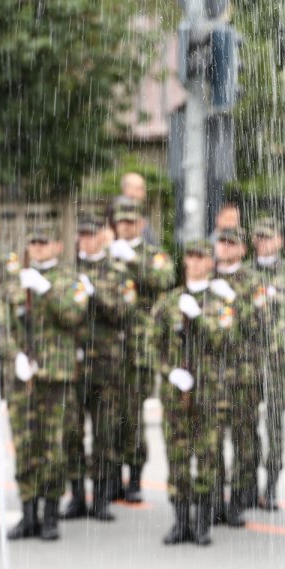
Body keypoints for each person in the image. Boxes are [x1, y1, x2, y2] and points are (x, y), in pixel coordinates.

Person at [149, 239, 247, 546]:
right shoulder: (168, 302)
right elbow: (151, 345)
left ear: (210, 262)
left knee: (206, 457)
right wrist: (169, 372)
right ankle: (180, 521)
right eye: (190, 256)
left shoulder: (221, 303)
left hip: (209, 393)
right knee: (177, 457)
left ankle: (203, 521)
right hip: (176, 395)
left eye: (201, 257)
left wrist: (200, 319)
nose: (194, 262)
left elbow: (226, 340)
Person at [5, 223, 88, 541]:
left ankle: (50, 514)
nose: (37, 248)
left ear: (58, 246)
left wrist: (46, 289)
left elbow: (73, 316)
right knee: (25, 445)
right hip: (22, 378)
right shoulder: (16, 282)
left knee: (53, 447)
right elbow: (3, 325)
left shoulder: (73, 281)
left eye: (44, 242)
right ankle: (28, 513)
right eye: (33, 243)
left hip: (56, 375)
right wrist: (15, 356)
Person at [61, 210, 136, 521]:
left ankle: (102, 497)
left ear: (102, 237)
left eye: (92, 234)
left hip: (106, 365)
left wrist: (97, 297)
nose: (87, 240)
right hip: (73, 364)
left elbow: (124, 312)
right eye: (83, 234)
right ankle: (77, 495)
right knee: (72, 431)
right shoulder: (67, 272)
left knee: (105, 433)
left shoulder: (117, 272)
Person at [110, 195, 177, 502]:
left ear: (141, 223)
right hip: (109, 347)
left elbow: (165, 280)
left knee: (133, 416)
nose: (125, 227)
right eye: (121, 221)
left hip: (139, 347)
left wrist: (134, 260)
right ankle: (110, 476)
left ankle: (135, 475)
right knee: (109, 415)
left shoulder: (153, 254)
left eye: (130, 221)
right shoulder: (108, 254)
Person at [249, 216, 285, 510]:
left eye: (269, 237)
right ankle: (263, 486)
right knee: (262, 428)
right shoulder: (247, 274)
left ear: (280, 240)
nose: (264, 243)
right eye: (259, 237)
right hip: (255, 363)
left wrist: (277, 301)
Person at [209, 226, 263, 524]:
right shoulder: (209, 279)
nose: (226, 249)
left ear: (242, 249)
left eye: (232, 244)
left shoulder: (253, 281)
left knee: (244, 440)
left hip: (243, 374)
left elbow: (258, 323)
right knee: (212, 438)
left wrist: (233, 301)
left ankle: (238, 500)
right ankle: (215, 498)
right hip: (214, 373)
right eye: (222, 243)